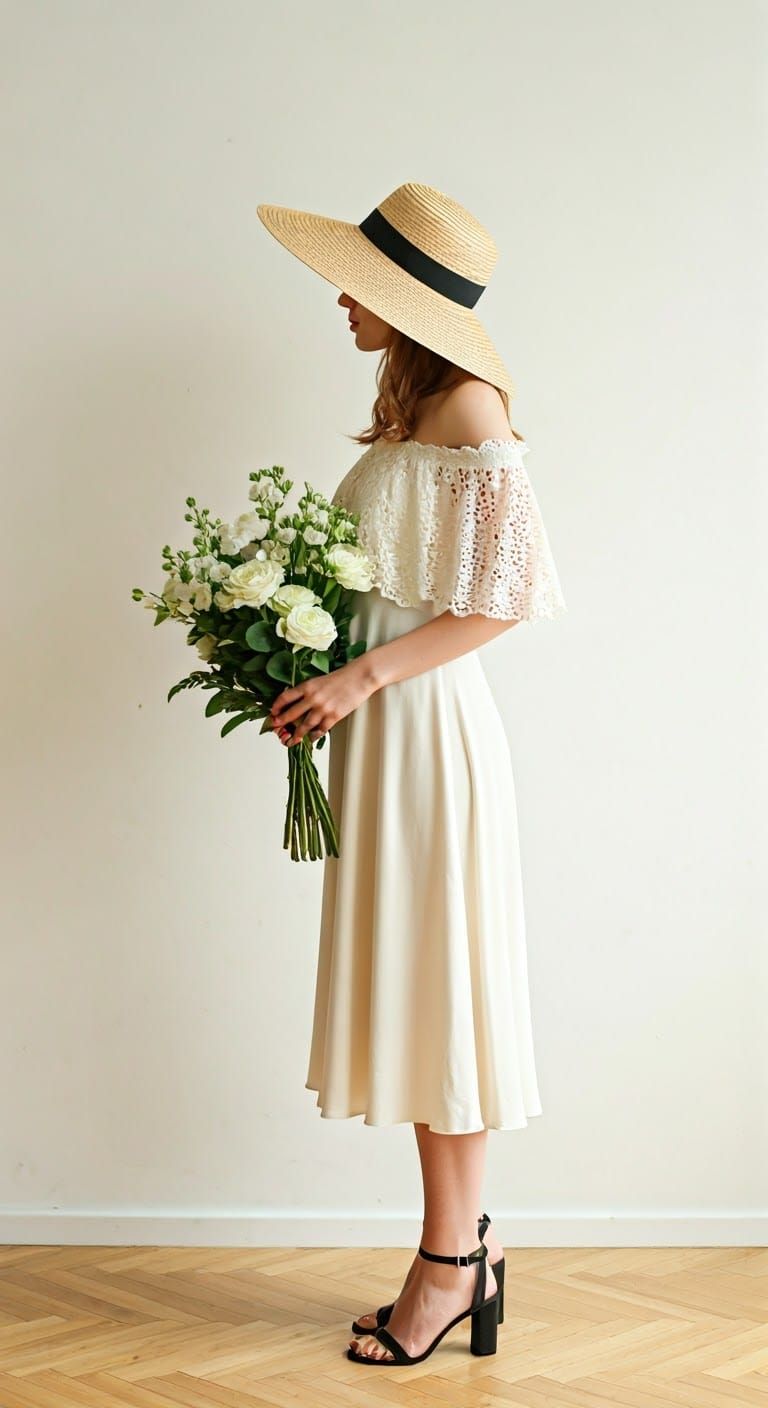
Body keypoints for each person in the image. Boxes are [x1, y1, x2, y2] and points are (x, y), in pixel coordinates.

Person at [256, 183, 567, 1366]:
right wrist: (300, 668)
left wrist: (358, 680)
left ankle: (451, 1261)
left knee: (448, 997)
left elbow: (506, 599)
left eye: (358, 283)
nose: (340, 299)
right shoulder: (414, 406)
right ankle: (460, 1248)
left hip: (428, 733)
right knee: (428, 992)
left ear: (407, 297)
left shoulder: (472, 404)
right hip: (385, 731)